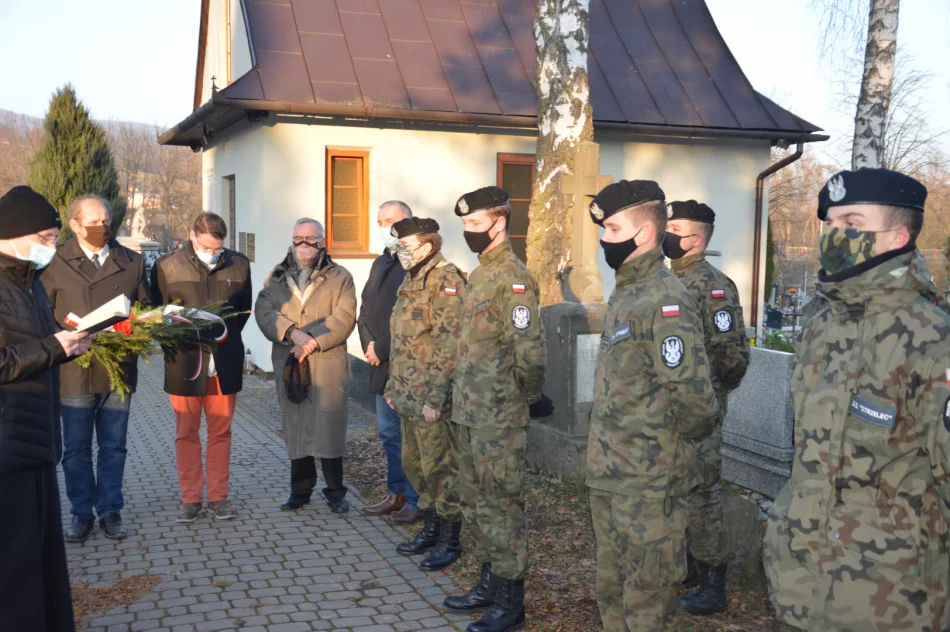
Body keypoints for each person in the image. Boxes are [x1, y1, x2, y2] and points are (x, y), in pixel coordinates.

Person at [763, 168, 950, 632]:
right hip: (797, 586)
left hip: (888, 601)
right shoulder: (821, 322)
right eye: (828, 222)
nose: (833, 234)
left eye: (852, 222)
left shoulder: (932, 339)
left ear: (897, 236)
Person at [586, 180, 718, 632]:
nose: (604, 238)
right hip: (611, 473)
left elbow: (696, 399)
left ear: (644, 234)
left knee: (650, 597)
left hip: (649, 479)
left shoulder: (665, 298)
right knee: (614, 587)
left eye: (613, 228)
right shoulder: (628, 291)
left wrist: (667, 454)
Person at [443, 186, 551, 632]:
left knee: (501, 506)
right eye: (465, 225)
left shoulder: (513, 277)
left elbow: (530, 352)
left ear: (499, 222)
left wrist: (524, 397)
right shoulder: (480, 275)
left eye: (474, 224)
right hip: (470, 413)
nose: (468, 232)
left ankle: (512, 602)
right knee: (477, 502)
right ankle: (488, 583)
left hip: (499, 416)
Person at [0, 185, 93, 631]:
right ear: (14, 234)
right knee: (13, 564)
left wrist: (68, 342)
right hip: (7, 445)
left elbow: (39, 341)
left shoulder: (30, 284)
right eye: (46, 236)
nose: (51, 247)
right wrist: (50, 348)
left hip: (37, 442)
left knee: (41, 556)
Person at [42, 195, 150, 543]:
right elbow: (41, 315)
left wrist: (135, 326)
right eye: (94, 221)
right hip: (74, 370)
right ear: (74, 225)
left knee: (114, 446)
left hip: (117, 369)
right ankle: (80, 512)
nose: (102, 226)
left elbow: (146, 308)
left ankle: (110, 510)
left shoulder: (131, 261)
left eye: (106, 220)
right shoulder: (54, 262)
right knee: (75, 449)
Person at [663, 200, 750, 615]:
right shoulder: (665, 281)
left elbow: (731, 355)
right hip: (668, 411)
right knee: (675, 489)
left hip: (702, 411)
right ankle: (688, 569)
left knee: (702, 494)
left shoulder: (714, 286)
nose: (666, 233)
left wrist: (712, 395)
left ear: (695, 239)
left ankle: (713, 583)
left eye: (674, 227)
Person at [149, 212, 252, 523]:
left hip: (223, 361)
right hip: (184, 362)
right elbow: (157, 310)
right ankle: (191, 498)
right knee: (187, 433)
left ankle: (218, 498)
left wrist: (225, 336)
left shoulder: (239, 263)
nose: (213, 253)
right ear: (192, 235)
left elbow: (242, 313)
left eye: (218, 248)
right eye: (207, 247)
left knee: (221, 432)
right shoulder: (167, 265)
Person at [255, 218, 357, 513]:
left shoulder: (341, 276)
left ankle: (336, 491)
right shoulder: (276, 276)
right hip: (290, 362)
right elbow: (264, 311)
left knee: (329, 427)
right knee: (296, 427)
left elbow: (345, 316)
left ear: (322, 241)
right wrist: (292, 332)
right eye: (298, 238)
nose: (304, 244)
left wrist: (312, 339)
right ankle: (300, 491)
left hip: (325, 362)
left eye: (310, 238)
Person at [384, 217, 466, 570]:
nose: (399, 251)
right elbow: (404, 342)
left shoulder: (447, 279)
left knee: (441, 472)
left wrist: (436, 398)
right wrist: (392, 387)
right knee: (417, 467)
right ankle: (431, 529)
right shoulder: (412, 277)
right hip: (406, 395)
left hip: (431, 399)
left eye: (405, 245)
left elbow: (451, 345)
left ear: (427, 244)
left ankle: (451, 539)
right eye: (398, 245)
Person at [357, 201, 422, 523]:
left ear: (409, 222)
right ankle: (395, 493)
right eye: (381, 221)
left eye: (392, 221)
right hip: (380, 364)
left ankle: (415, 498)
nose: (386, 228)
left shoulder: (416, 264)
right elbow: (365, 308)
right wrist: (368, 344)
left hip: (406, 366)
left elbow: (417, 319)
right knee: (388, 433)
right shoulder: (381, 262)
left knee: (410, 436)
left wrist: (382, 347)